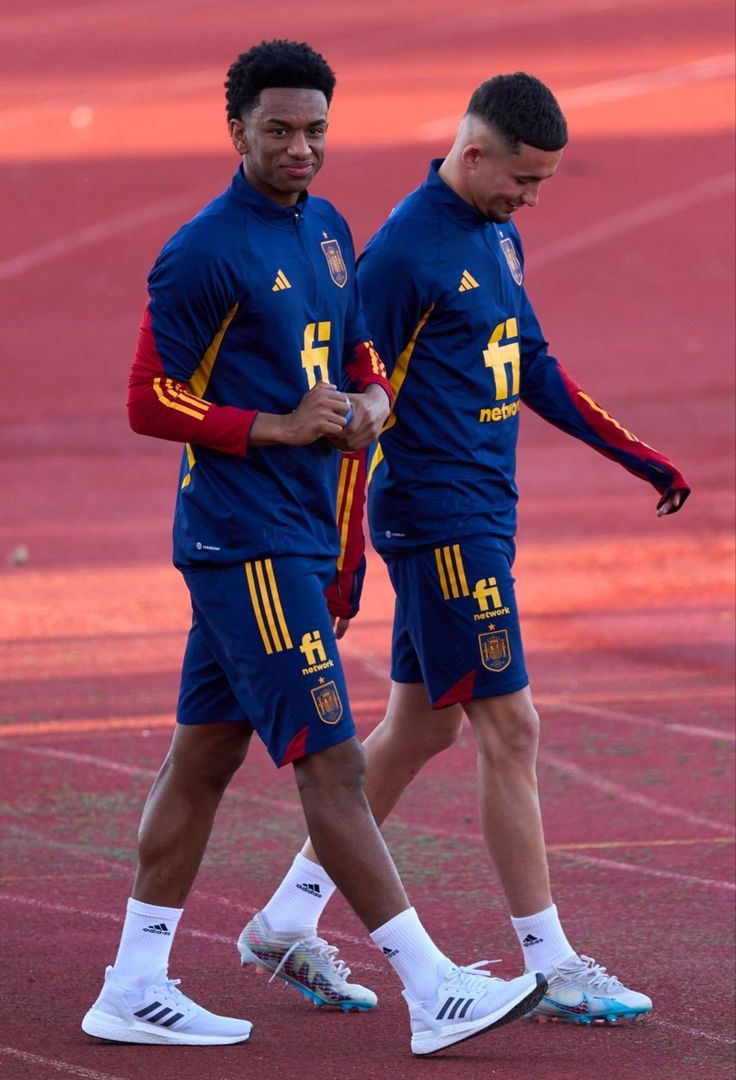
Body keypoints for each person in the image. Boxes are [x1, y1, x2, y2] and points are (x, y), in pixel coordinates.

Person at [80, 43, 547, 1057]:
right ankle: (432, 990)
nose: (301, 148)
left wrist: (375, 396)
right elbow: (146, 397)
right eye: (280, 130)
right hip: (242, 539)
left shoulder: (329, 231)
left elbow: (356, 351)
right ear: (237, 130)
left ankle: (132, 983)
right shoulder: (205, 251)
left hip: (292, 535)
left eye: (316, 130)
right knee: (332, 767)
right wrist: (277, 426)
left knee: (203, 758)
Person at [238, 71, 690, 1026]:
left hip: (485, 511)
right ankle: (552, 960)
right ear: (473, 151)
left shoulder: (497, 232)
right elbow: (360, 414)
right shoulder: (403, 254)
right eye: (522, 181)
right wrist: (345, 561)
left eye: (542, 188)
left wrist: (635, 454)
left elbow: (532, 363)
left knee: (423, 727)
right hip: (441, 522)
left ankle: (286, 918)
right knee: (510, 729)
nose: (530, 201)